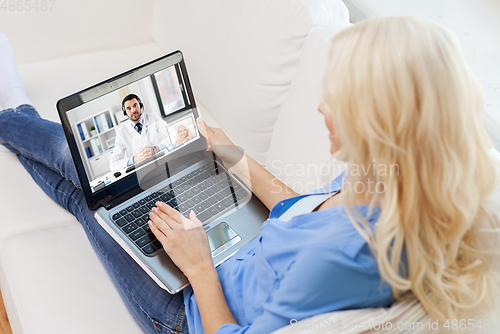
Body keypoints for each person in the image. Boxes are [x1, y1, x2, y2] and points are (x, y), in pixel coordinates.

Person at [1, 16, 499, 334]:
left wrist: (197, 265)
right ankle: (13, 112)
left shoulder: (345, 258)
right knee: (98, 184)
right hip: (238, 251)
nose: (323, 107)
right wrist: (230, 153)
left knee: (87, 188)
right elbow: (302, 213)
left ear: (379, 122)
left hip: (188, 309)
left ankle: (10, 111)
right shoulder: (394, 183)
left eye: (339, 100)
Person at [109, 94, 173, 171]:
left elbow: (172, 135)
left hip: (162, 164)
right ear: (125, 112)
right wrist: (134, 159)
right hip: (140, 172)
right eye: (128, 108)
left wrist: (155, 149)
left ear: (140, 105)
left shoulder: (153, 118)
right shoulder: (122, 133)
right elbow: (113, 164)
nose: (133, 110)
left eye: (135, 105)